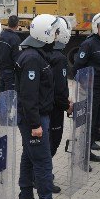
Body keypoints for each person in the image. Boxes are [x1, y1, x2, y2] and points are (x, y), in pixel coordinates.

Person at [15, 14, 69, 199]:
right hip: (34, 119)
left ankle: (26, 198)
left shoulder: (36, 54)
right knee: (43, 163)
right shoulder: (32, 59)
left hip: (36, 117)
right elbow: (29, 97)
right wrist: (36, 124)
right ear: (45, 33)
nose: (57, 36)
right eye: (55, 32)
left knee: (29, 157)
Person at [73, 11, 100, 163]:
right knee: (89, 121)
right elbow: (78, 66)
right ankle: (84, 152)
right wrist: (85, 87)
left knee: (99, 117)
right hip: (93, 90)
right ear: (96, 28)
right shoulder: (89, 43)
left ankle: (93, 139)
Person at [43, 17, 72, 161]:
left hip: (43, 106)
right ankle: (43, 175)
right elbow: (59, 88)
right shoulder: (59, 58)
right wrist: (67, 105)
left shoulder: (43, 52)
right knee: (53, 142)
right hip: (55, 108)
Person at [0, 15, 23, 93]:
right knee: (9, 96)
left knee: (1, 94)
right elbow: (17, 58)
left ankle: (0, 106)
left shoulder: (1, 36)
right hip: (10, 72)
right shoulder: (15, 39)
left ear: (8, 23)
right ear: (17, 24)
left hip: (1, 70)